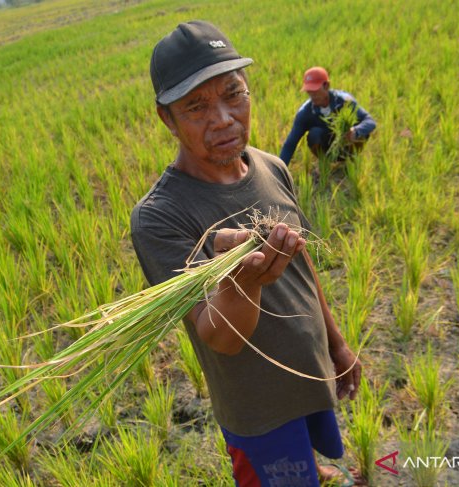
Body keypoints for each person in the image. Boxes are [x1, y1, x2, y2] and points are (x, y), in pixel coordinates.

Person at [131, 21, 365, 487]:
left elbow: (302, 268)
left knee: (310, 457)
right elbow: (219, 337)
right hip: (258, 409)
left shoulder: (271, 167)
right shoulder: (161, 218)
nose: (222, 118)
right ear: (167, 118)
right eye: (196, 107)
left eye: (233, 94)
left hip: (309, 372)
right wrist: (244, 281)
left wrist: (336, 345)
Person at [279, 66, 376, 166]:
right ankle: (326, 162)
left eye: (315, 90)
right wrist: (279, 170)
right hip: (327, 149)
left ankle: (350, 159)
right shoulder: (305, 112)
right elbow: (290, 144)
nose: (312, 95)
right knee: (314, 134)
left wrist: (355, 131)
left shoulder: (344, 101)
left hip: (348, 145)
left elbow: (370, 121)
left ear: (326, 85)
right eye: (309, 91)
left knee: (363, 132)